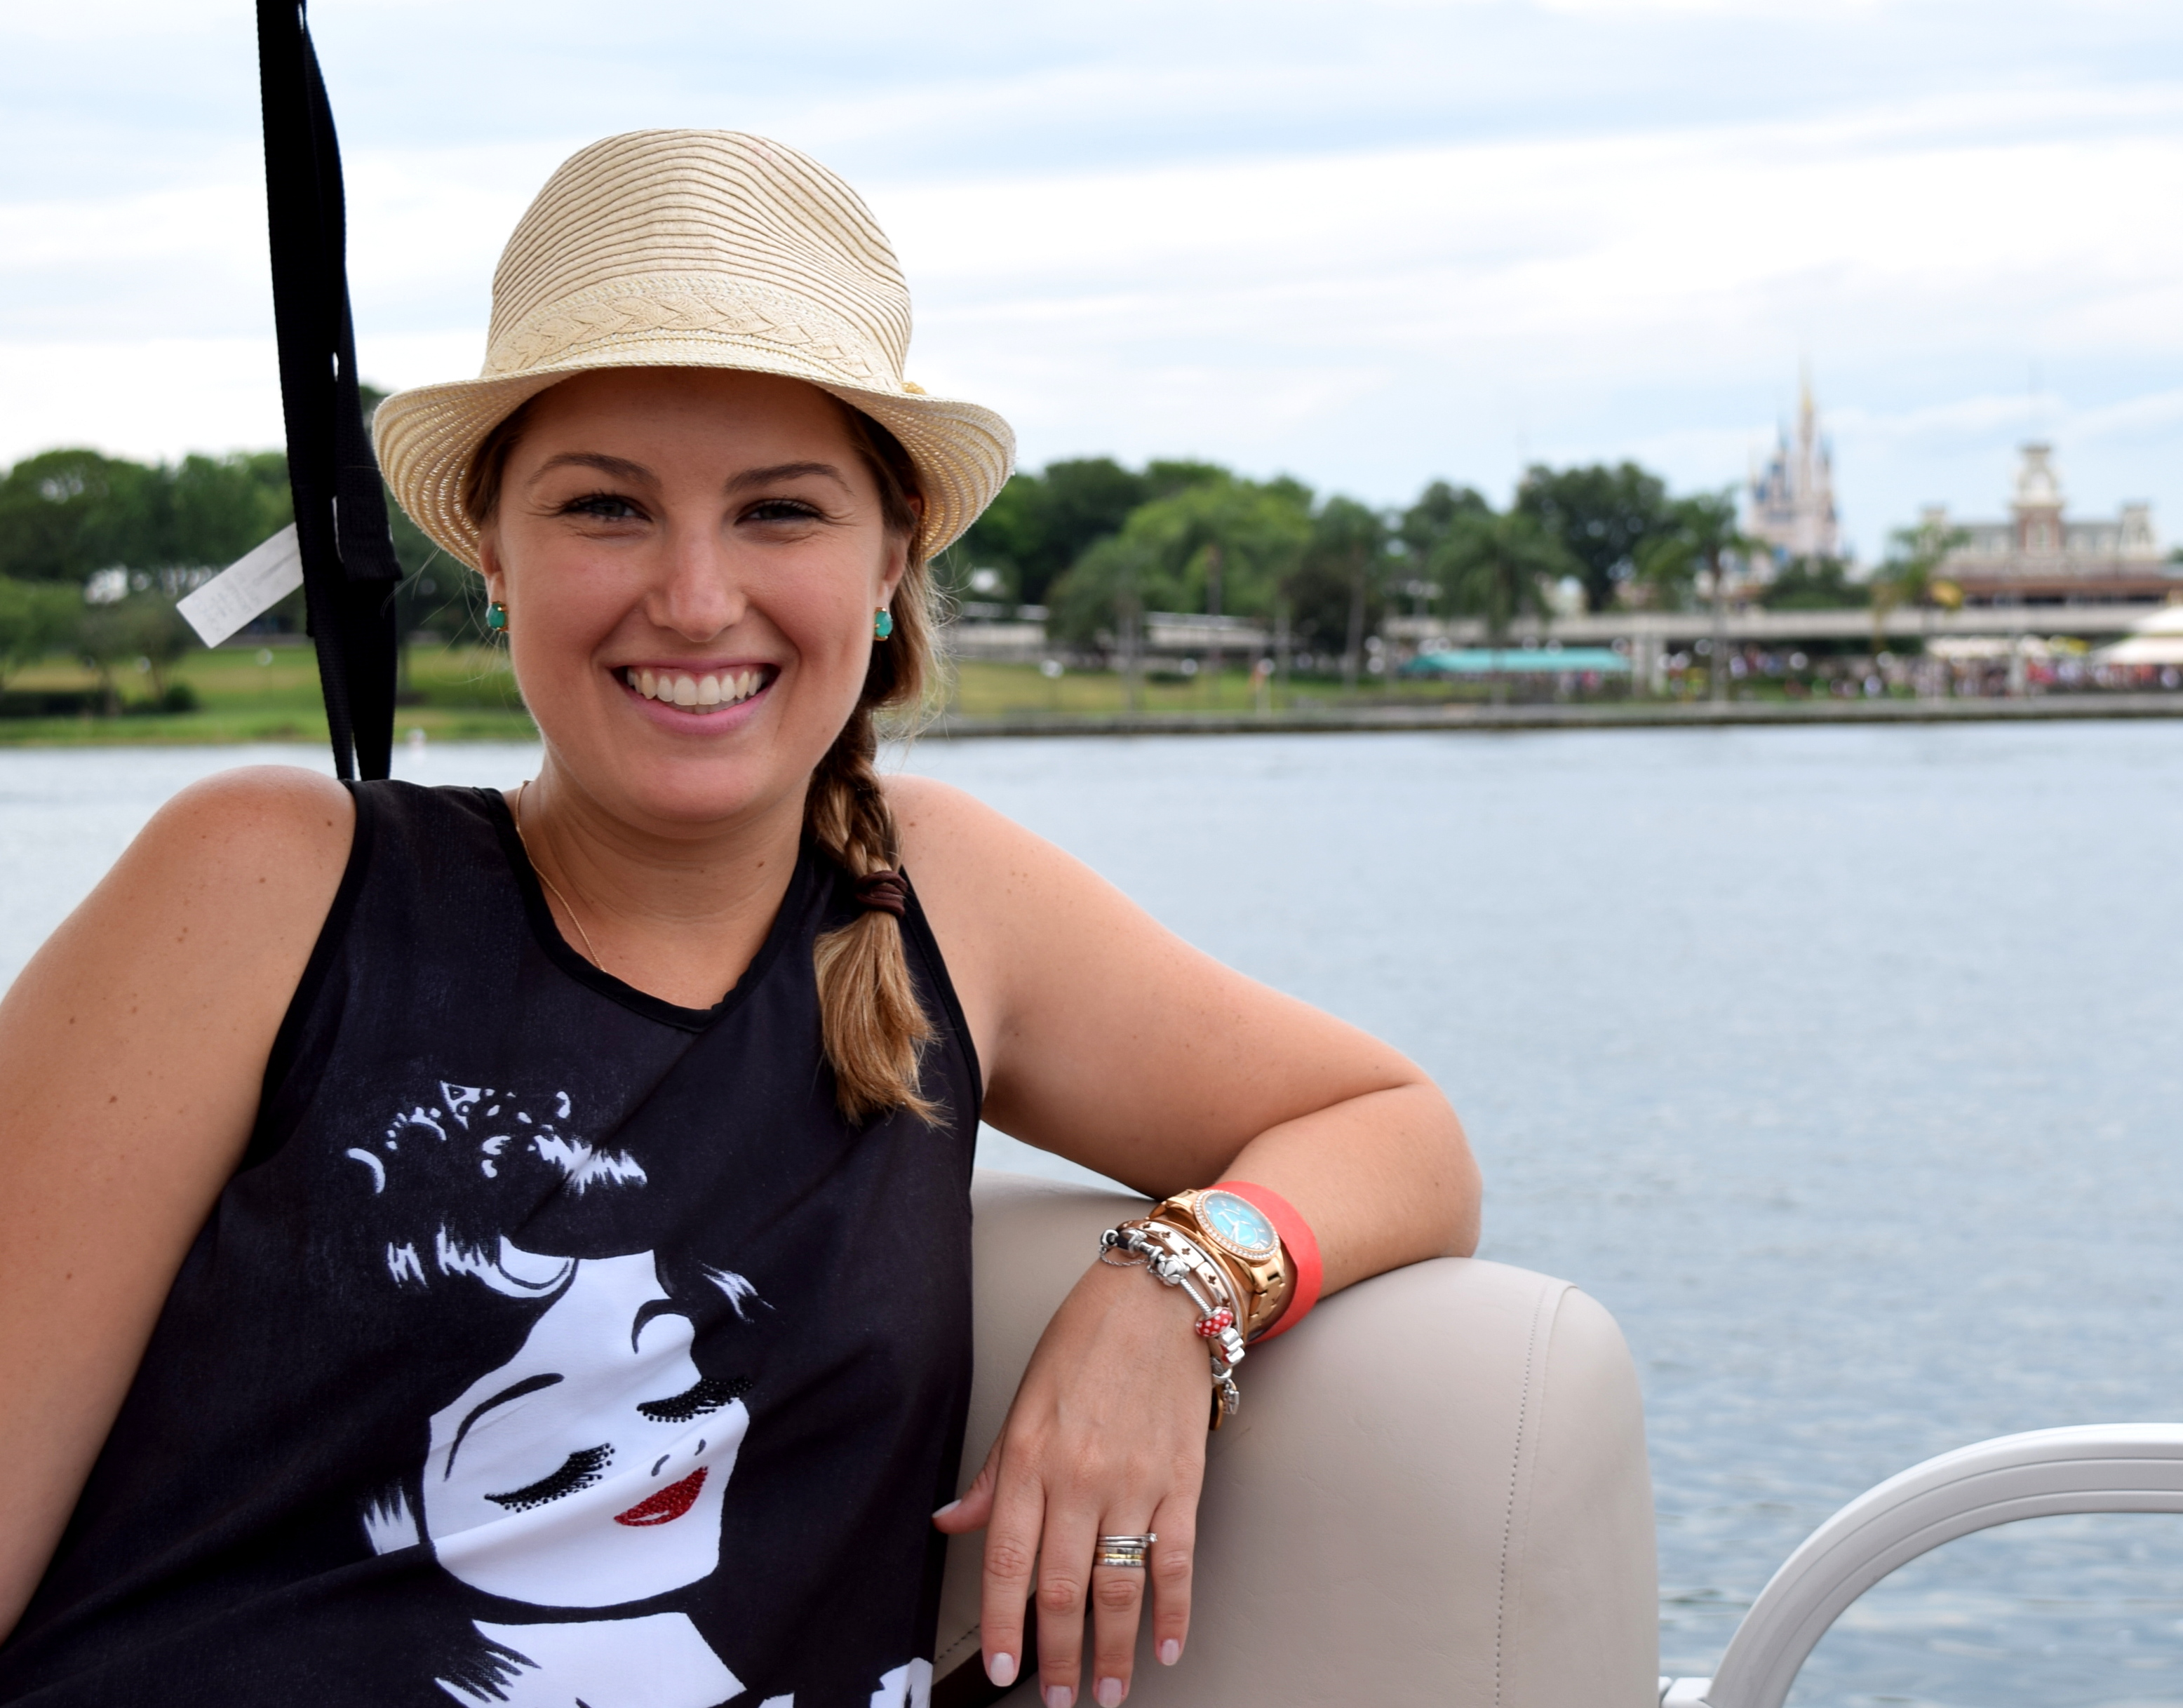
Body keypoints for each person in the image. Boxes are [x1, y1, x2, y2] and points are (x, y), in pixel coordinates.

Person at [0, 130, 1479, 1708]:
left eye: (780, 512)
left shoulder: (942, 907)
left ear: (893, 555)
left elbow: (1395, 1126)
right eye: (606, 511)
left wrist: (1172, 1289)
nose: (697, 600)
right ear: (489, 551)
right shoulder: (265, 885)